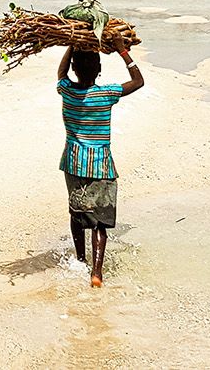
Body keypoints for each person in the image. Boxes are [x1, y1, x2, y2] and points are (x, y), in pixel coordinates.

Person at [56, 38, 144, 287]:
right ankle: (96, 273)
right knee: (100, 222)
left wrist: (72, 44)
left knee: (77, 213)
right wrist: (122, 51)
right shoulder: (106, 94)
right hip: (101, 165)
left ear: (75, 69)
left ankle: (80, 259)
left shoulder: (67, 91)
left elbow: (61, 73)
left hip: (73, 164)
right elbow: (138, 81)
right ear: (99, 71)